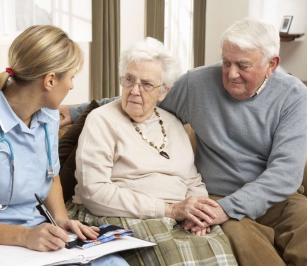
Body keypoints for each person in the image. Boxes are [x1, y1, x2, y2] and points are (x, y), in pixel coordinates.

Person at [60, 17, 307, 265]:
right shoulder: (198, 84)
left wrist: (227, 208)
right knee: (244, 241)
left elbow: (286, 174)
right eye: (226, 62)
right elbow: (142, 95)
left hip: (275, 197)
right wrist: (77, 111)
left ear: (271, 65)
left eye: (243, 65)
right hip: (217, 197)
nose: (231, 73)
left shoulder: (293, 96)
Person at [0, 25, 127, 266]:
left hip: (31, 236)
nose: (73, 86)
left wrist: (61, 221)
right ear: (50, 80)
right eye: (72, 77)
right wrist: (24, 236)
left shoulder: (48, 117)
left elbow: (50, 175)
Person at [65, 37, 237, 265]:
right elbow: (93, 192)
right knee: (176, 259)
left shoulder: (174, 124)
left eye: (146, 84)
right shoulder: (102, 120)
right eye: (129, 80)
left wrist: (199, 216)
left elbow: (192, 181)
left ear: (163, 92)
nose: (135, 90)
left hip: (176, 217)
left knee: (218, 251)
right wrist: (169, 210)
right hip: (120, 215)